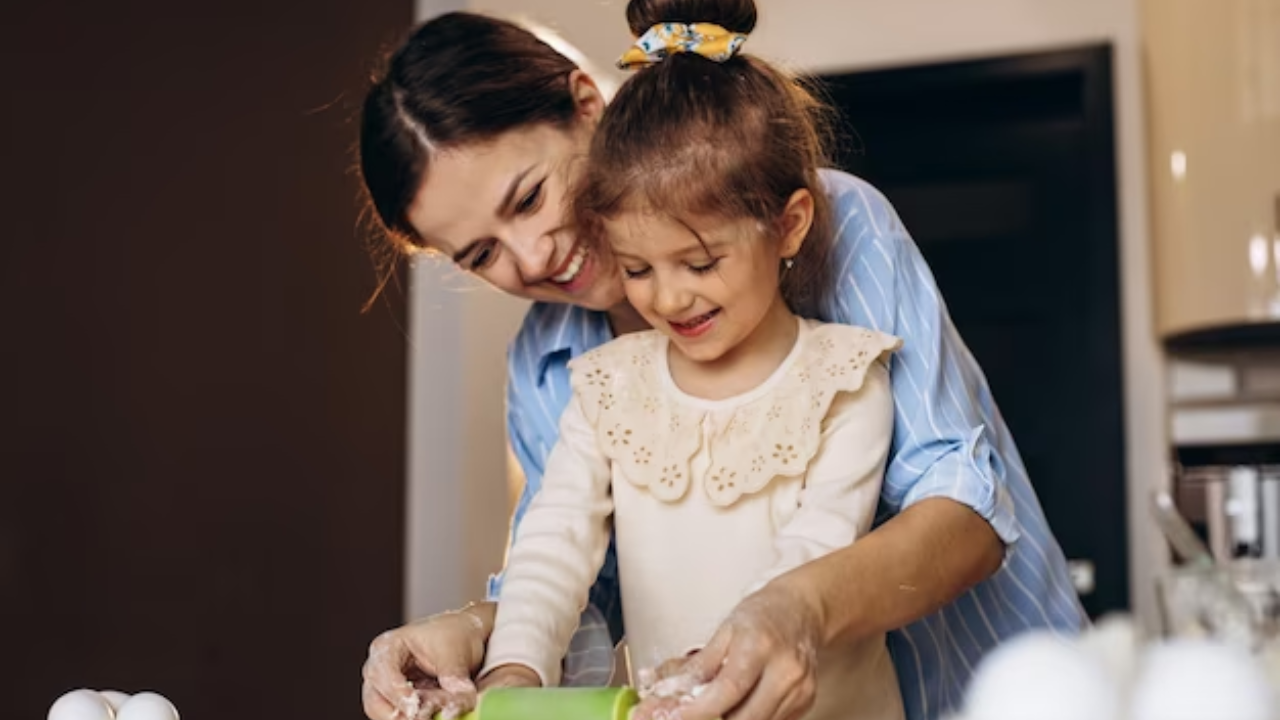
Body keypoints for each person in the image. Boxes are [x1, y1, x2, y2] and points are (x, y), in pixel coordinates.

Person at [357, 3, 1086, 719]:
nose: (533, 256)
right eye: (482, 254)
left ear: (585, 105)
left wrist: (792, 608)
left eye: (529, 198)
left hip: (996, 692)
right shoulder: (554, 368)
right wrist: (481, 636)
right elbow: (586, 585)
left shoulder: (842, 242)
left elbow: (965, 514)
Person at [474, 17, 906, 720]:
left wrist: (725, 664)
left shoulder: (844, 380)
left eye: (700, 263)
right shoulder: (608, 388)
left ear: (790, 224)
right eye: (637, 268)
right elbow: (553, 545)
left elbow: (815, 546)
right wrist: (515, 662)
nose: (668, 298)